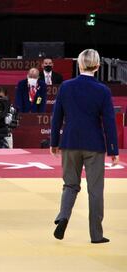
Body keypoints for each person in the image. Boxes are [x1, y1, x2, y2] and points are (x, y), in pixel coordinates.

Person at [50, 49, 119, 244]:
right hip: (94, 144)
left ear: (79, 65)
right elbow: (109, 122)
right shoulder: (103, 90)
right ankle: (96, 235)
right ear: (97, 66)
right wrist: (113, 149)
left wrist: (54, 142)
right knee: (95, 190)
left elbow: (57, 118)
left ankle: (63, 216)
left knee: (70, 185)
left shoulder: (66, 86)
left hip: (70, 142)